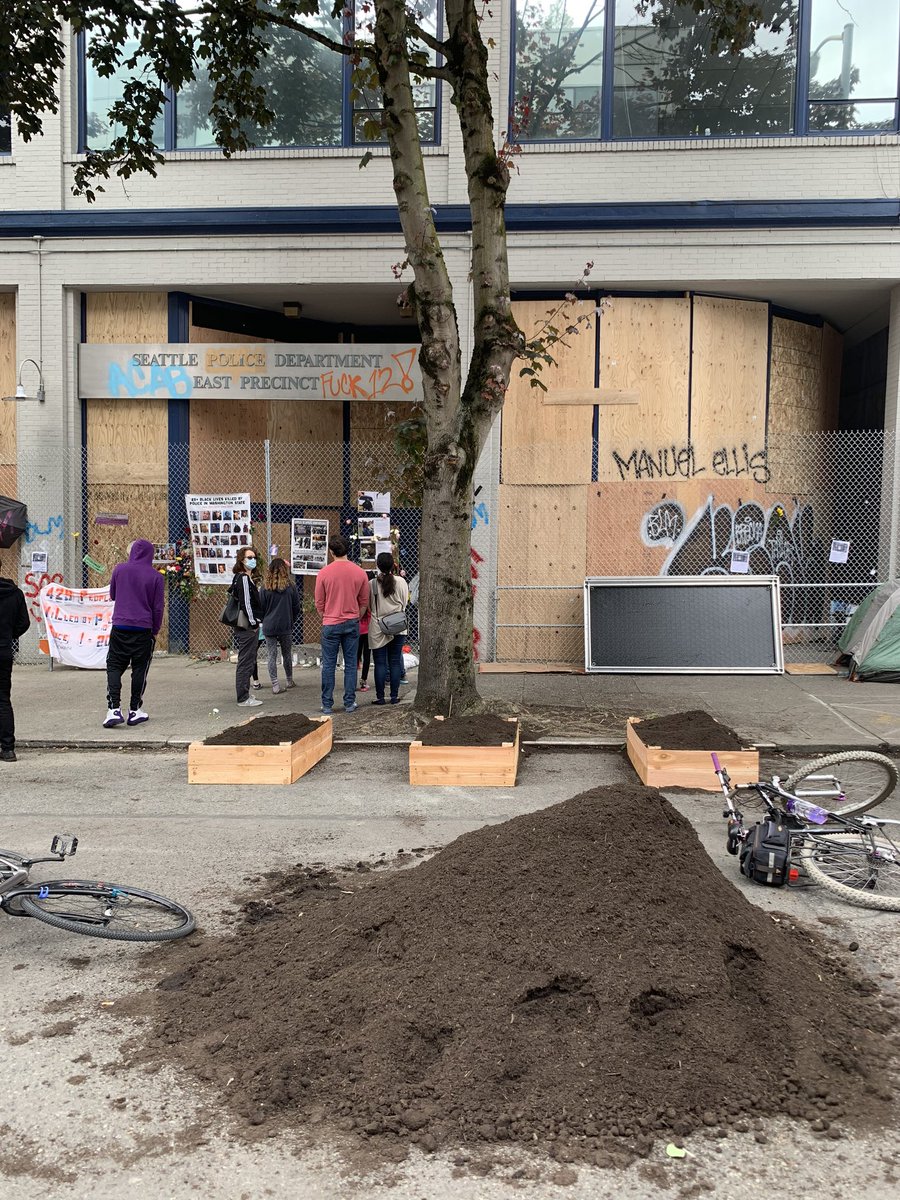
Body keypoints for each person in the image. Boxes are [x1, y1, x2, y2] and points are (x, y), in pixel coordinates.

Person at [104, 539, 165, 728]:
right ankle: (134, 710)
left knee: (114, 666)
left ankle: (113, 708)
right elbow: (157, 608)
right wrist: (154, 630)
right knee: (140, 668)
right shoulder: (156, 577)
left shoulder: (119, 570)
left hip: (121, 625)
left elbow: (113, 594)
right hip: (143, 628)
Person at [314, 535, 368, 715]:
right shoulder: (359, 572)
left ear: (331, 552)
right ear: (348, 550)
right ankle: (349, 702)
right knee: (351, 664)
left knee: (328, 664)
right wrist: (356, 617)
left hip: (331, 622)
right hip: (352, 621)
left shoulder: (323, 573)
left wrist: (326, 616)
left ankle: (327, 704)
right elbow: (364, 601)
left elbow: (319, 602)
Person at [367, 552, 410, 706]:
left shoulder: (372, 583)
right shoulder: (402, 582)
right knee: (395, 661)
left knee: (380, 663)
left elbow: (369, 606)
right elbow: (405, 603)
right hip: (398, 625)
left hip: (378, 626)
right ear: (393, 565)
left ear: (378, 565)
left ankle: (380, 697)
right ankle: (394, 696)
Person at [0, 555, 30, 762]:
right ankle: (8, 748)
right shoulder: (15, 593)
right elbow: (24, 623)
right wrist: (10, 634)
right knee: (3, 699)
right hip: (3, 651)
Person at [260, 557, 300, 693]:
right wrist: (291, 620)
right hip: (285, 625)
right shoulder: (291, 586)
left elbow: (261, 607)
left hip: (269, 625)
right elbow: (296, 607)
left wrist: (265, 619)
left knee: (272, 655)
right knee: (287, 653)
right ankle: (289, 680)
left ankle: (275, 685)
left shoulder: (265, 587)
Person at [231, 545, 264, 707]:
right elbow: (246, 603)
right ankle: (243, 697)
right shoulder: (243, 578)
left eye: (254, 557)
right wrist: (254, 623)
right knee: (246, 660)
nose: (253, 560)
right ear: (241, 560)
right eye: (249, 558)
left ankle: (244, 694)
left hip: (247, 625)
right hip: (247, 626)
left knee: (247, 659)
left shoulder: (243, 578)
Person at [357, 570, 375, 691]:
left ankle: (352, 681)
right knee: (367, 656)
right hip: (368, 628)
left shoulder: (357, 592)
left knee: (355, 655)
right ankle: (363, 681)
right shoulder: (371, 594)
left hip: (357, 628)